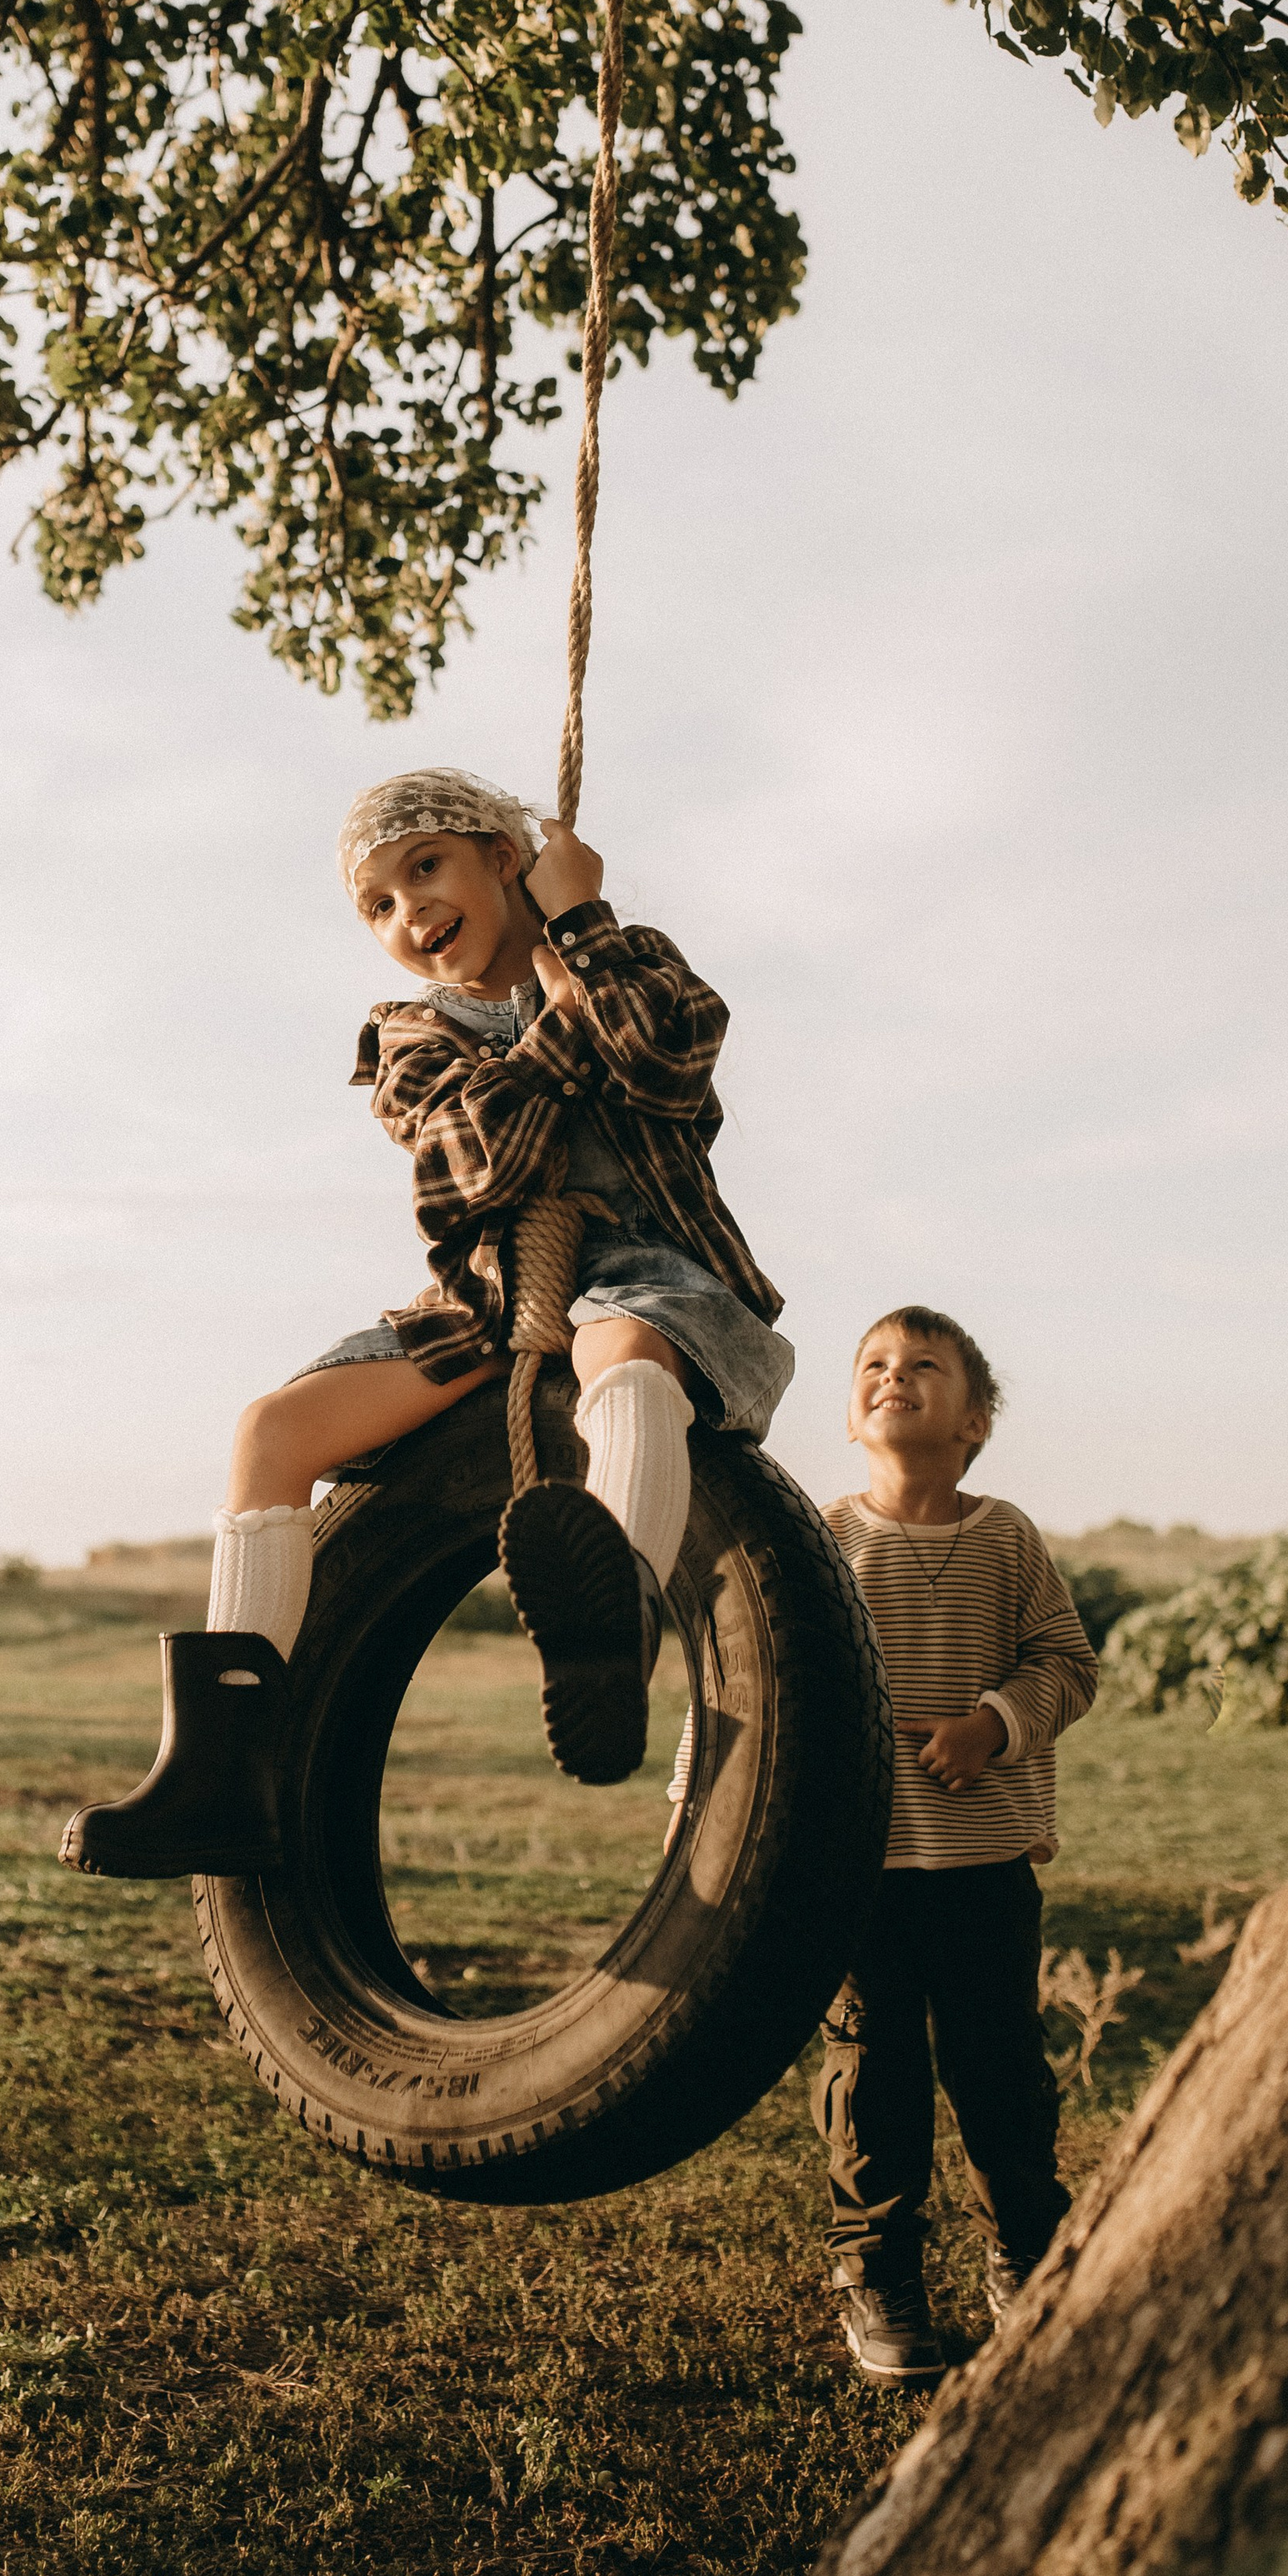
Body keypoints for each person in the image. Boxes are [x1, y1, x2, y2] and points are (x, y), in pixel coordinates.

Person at [61, 767, 794, 1879]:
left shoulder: (624, 955)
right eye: (379, 904)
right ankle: (221, 1777)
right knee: (271, 1432)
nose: (409, 913)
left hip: (652, 1269)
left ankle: (613, 1632)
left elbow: (669, 1060)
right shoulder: (404, 1033)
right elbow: (484, 1163)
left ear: (506, 859)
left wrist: (584, 927)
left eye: (425, 868)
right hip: (487, 1302)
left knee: (626, 1362)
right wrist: (562, 1030)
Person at [814, 1305, 1099, 2385]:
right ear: (850, 1414)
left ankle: (1027, 2254)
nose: (895, 1377)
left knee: (1002, 2079)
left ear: (973, 1420)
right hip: (858, 1871)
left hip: (986, 1865)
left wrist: (993, 1722)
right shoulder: (821, 1543)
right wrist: (697, 1804)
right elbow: (751, 1676)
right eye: (875, 1366)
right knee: (872, 2079)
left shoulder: (1007, 1539)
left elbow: (1068, 1667)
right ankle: (879, 2276)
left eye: (924, 1366)